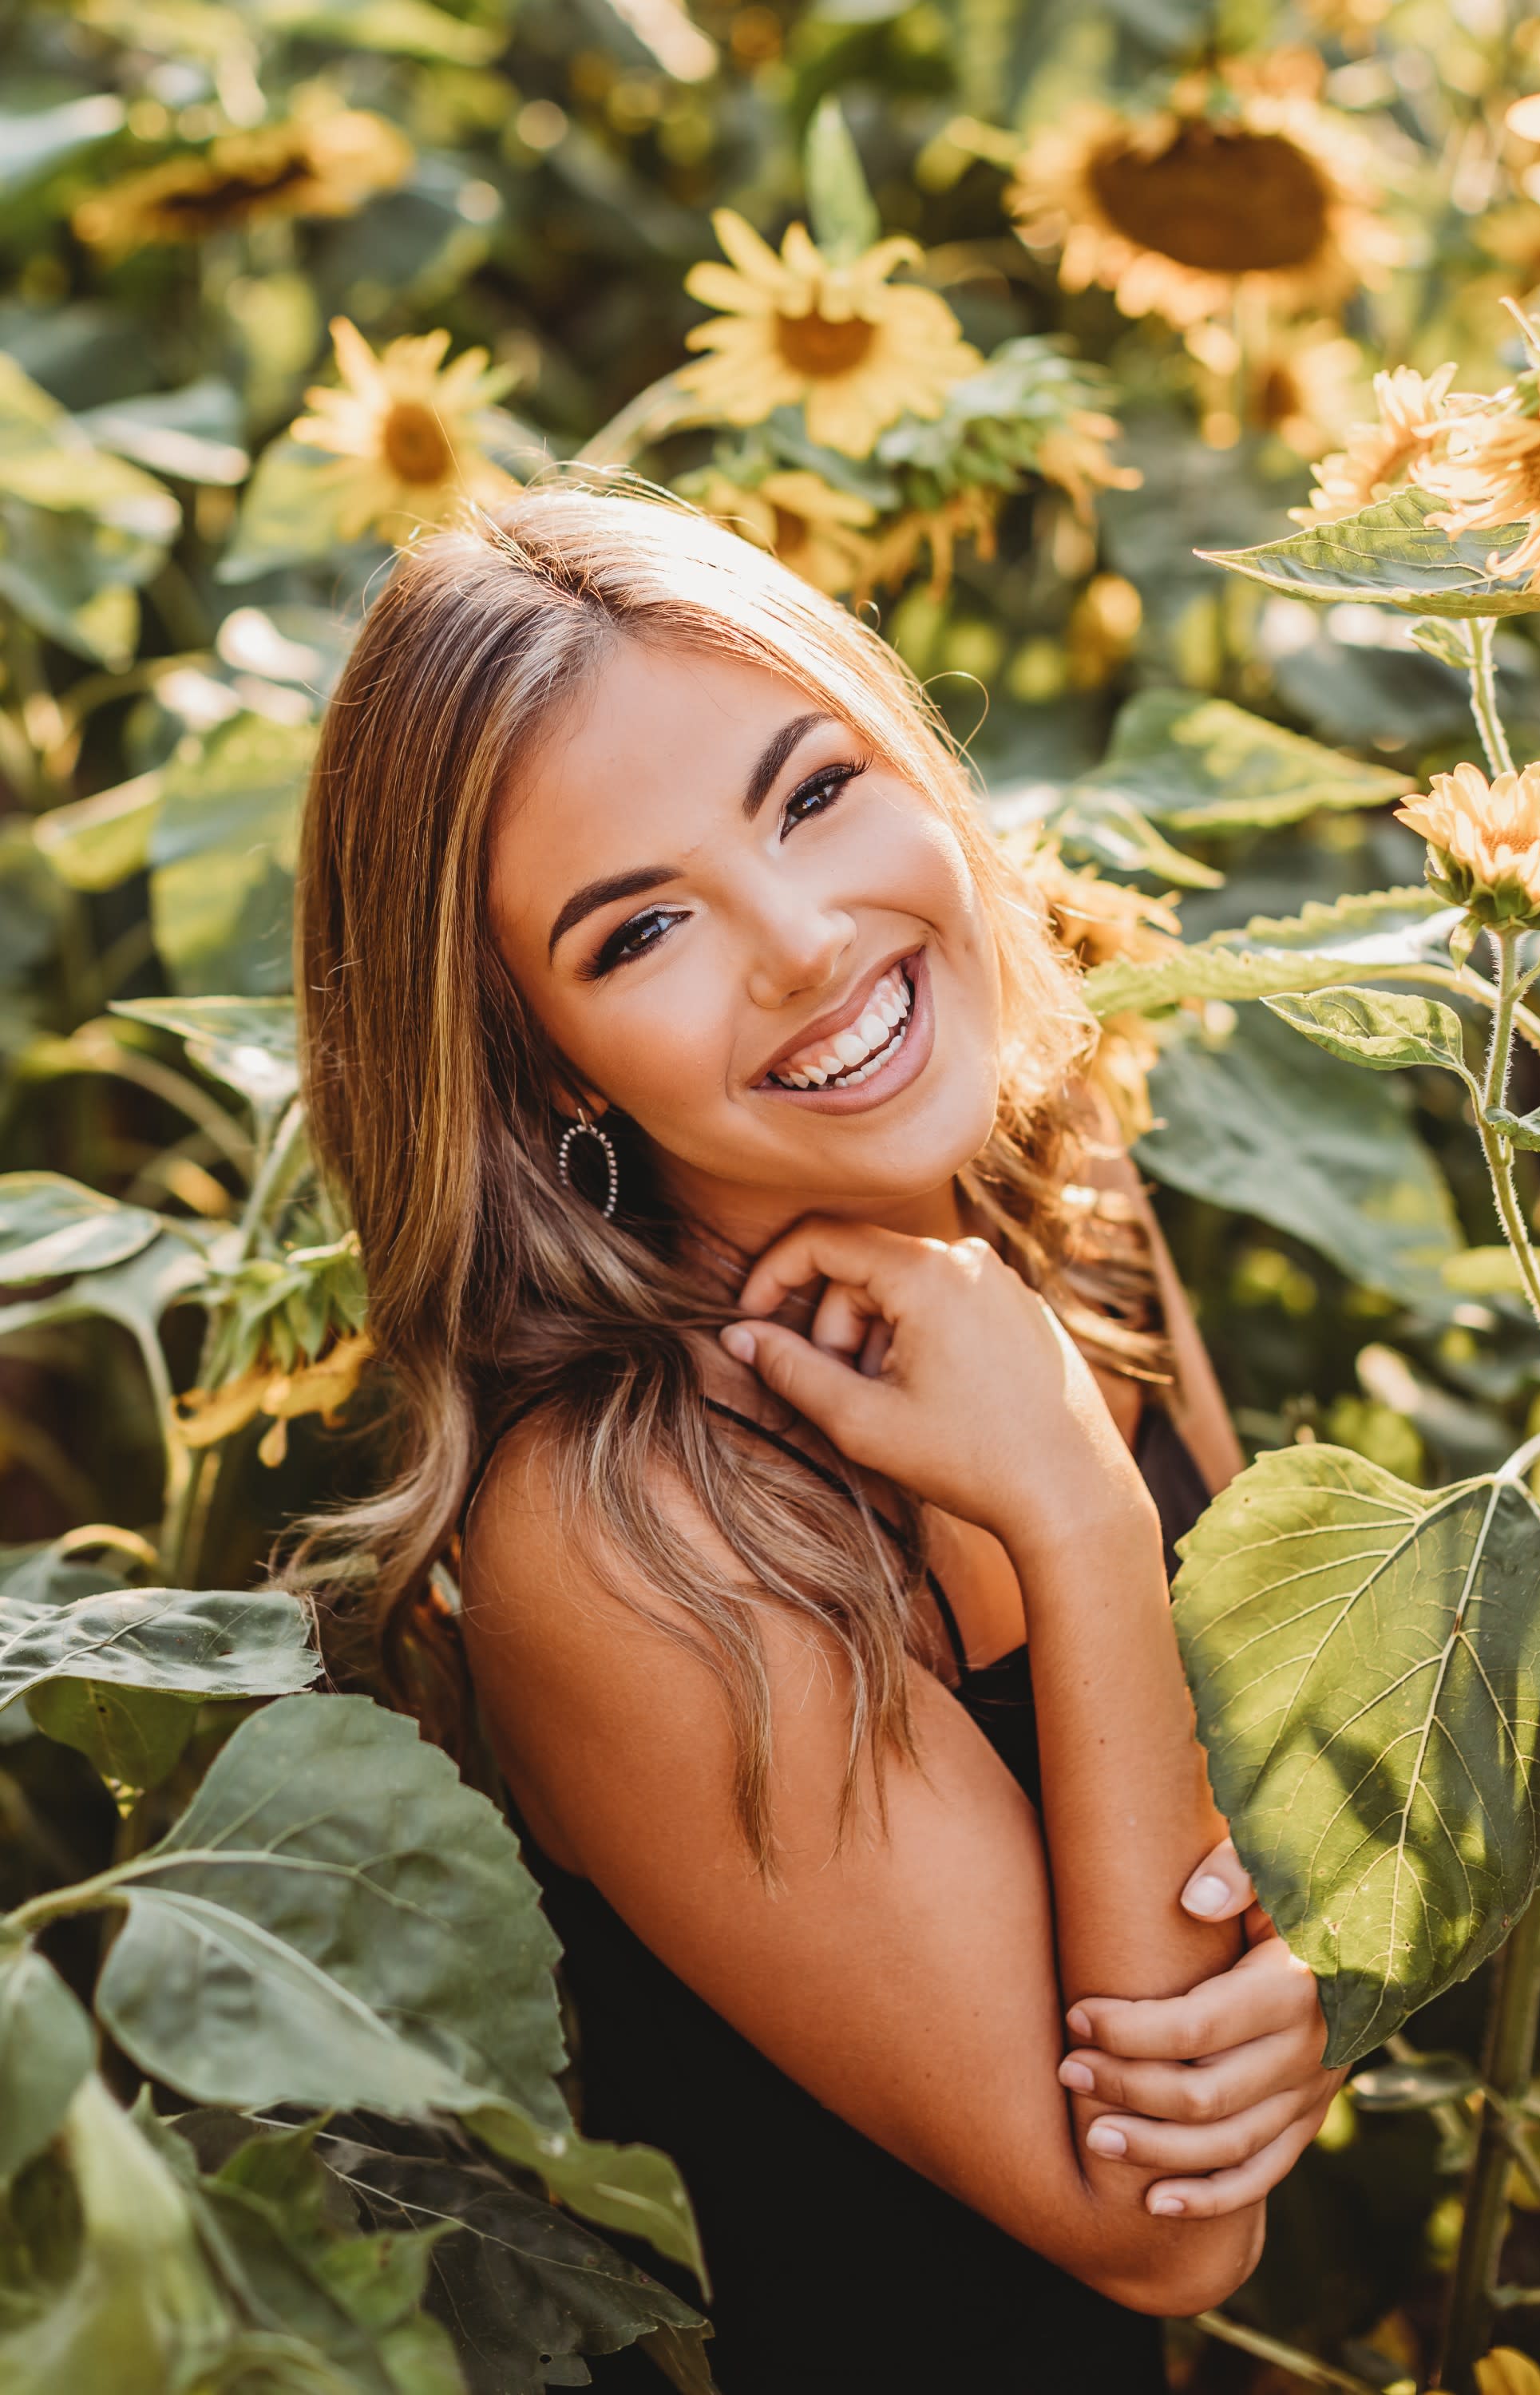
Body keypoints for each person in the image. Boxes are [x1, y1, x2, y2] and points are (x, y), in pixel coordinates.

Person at [295, 482, 1344, 2393]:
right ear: (537, 1056)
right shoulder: (618, 1529)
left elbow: (1258, 1792)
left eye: (812, 791)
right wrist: (1072, 1509)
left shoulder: (1051, 1166)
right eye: (640, 932)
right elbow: (1168, 2228)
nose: (799, 940)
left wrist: (1309, 1984)